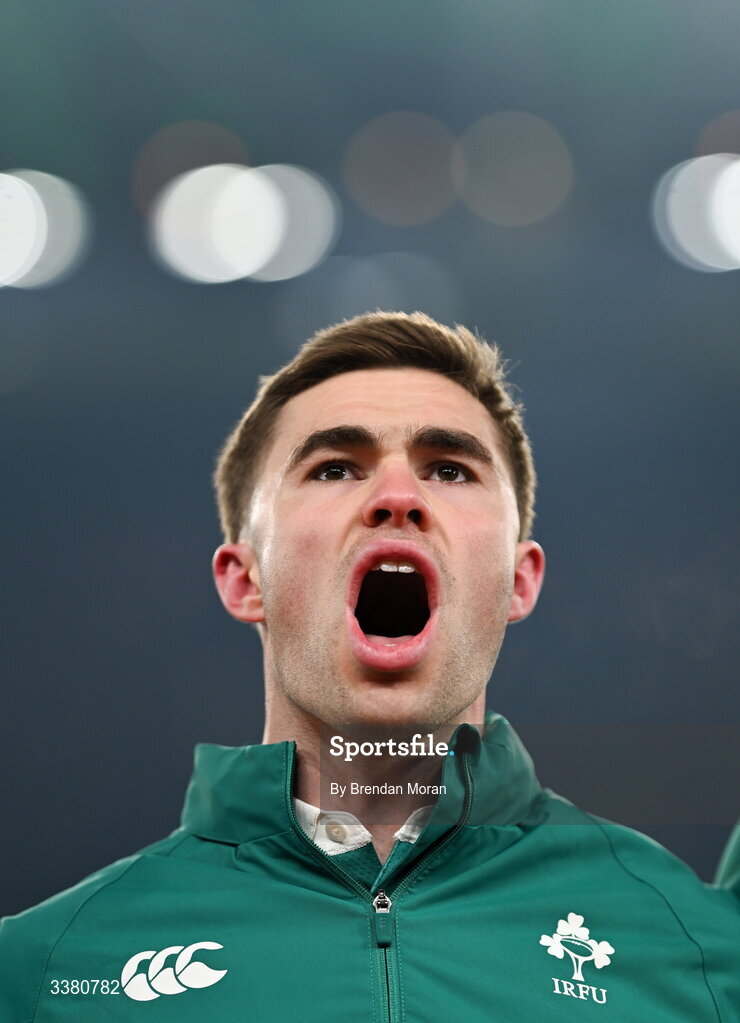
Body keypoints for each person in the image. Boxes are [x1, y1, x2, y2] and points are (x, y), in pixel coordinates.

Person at [0, 311, 737, 1021]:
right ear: (245, 578)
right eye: (334, 468)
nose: (396, 497)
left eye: (448, 468)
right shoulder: (37, 973)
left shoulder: (706, 953)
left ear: (519, 580)